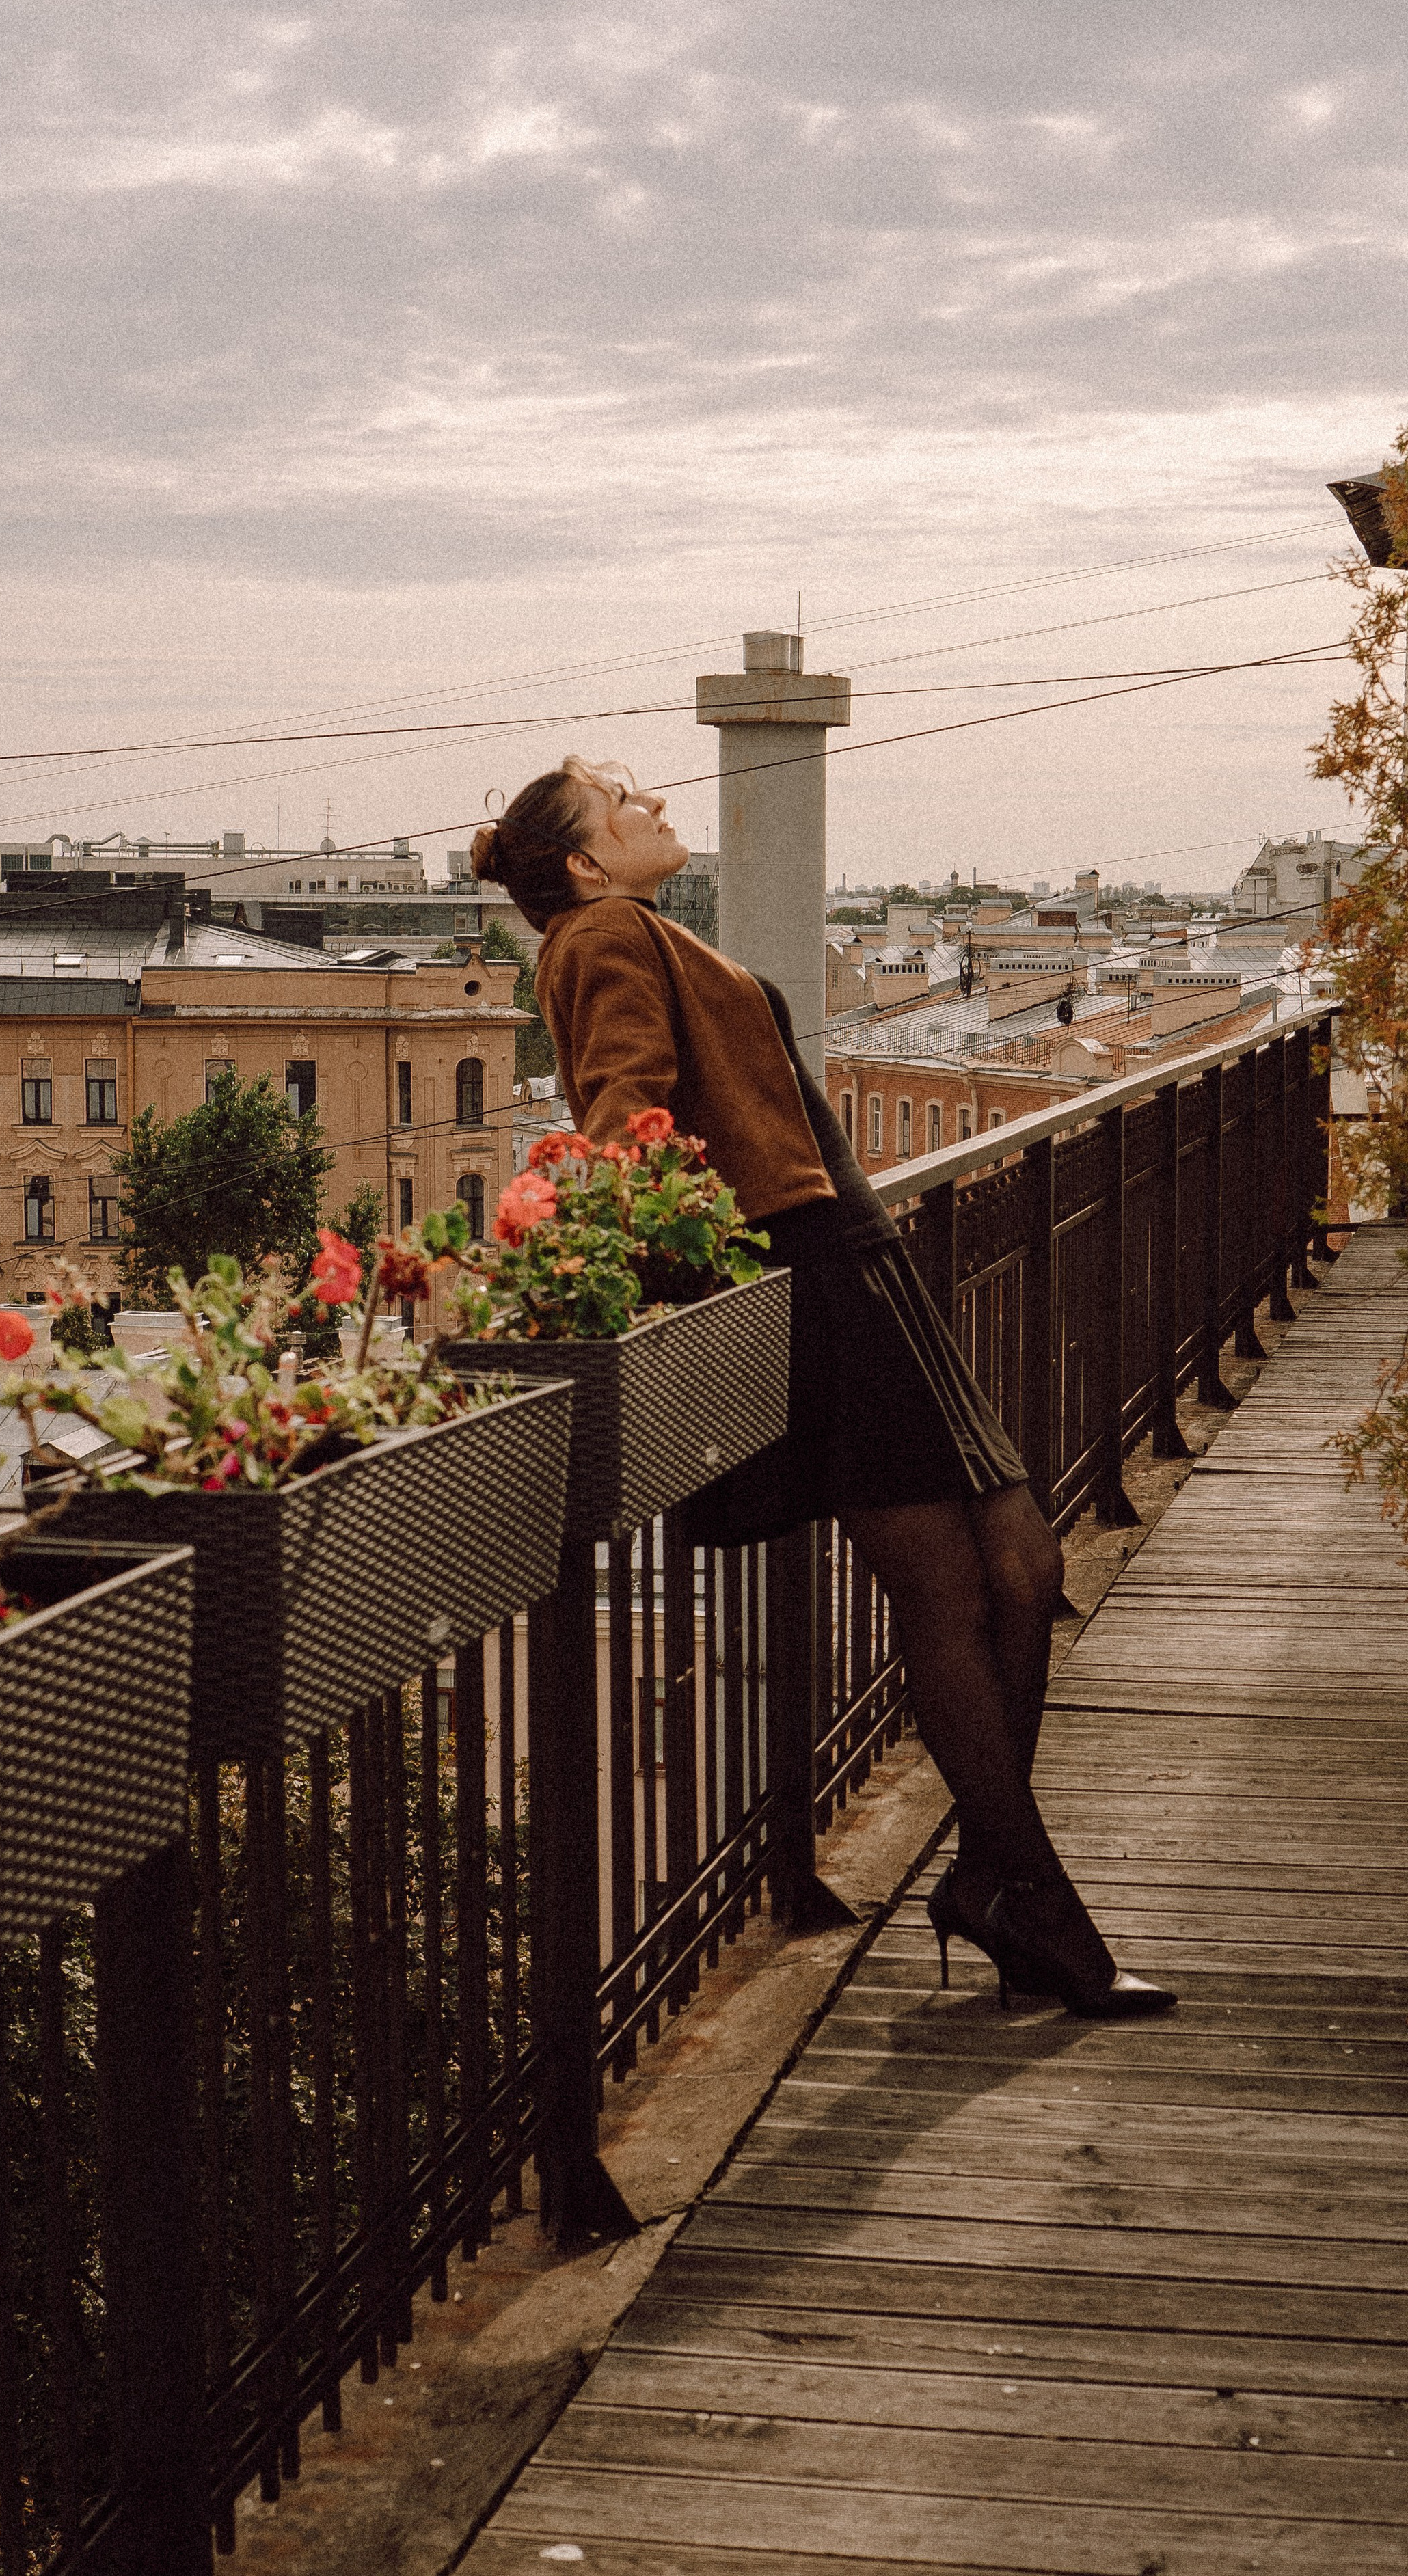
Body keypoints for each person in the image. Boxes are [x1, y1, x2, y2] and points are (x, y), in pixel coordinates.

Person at [472, 756, 1174, 2018]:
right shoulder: (607, 932)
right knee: (962, 1584)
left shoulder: (624, 926)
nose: (656, 807)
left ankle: (990, 1881)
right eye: (624, 806)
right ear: (583, 862)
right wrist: (601, 1255)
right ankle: (1039, 1905)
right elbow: (625, 1109)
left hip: (854, 1265)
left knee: (1018, 1568)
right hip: (813, 1271)